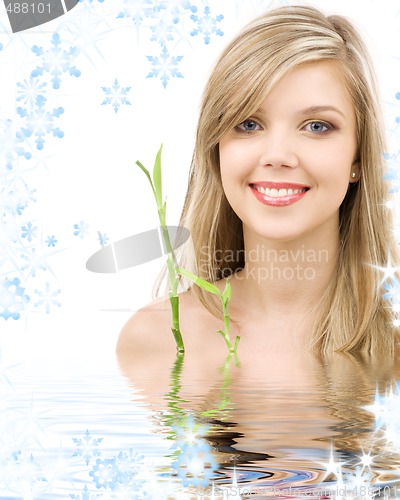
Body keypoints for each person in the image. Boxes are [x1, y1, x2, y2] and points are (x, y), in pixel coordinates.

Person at [117, 5, 400, 360]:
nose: (278, 155)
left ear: (358, 157)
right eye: (249, 124)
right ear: (216, 150)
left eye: (316, 126)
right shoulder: (155, 343)